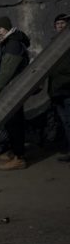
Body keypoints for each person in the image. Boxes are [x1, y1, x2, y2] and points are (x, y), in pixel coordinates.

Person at [0, 16, 32, 170]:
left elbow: (7, 71)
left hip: (12, 90)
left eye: (0, 28)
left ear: (7, 27)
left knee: (14, 123)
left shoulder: (13, 44)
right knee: (14, 122)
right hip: (13, 89)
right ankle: (17, 152)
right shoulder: (9, 42)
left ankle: (19, 158)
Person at [48, 13, 70, 162]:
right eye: (58, 24)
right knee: (64, 122)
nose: (60, 26)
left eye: (63, 23)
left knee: (69, 121)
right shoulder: (53, 43)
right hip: (57, 90)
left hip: (68, 89)